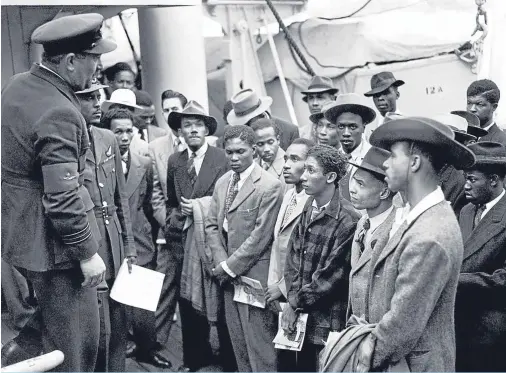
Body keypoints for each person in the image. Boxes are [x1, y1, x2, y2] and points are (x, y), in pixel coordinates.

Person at [1, 13, 115, 371]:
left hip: (23, 239)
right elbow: (63, 197)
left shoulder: (20, 85)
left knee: (42, 337)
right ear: (69, 62)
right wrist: (86, 253)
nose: (97, 68)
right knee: (76, 348)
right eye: (93, 59)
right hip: (57, 252)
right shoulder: (60, 112)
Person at [368, 116, 476, 371]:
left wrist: (366, 351)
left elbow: (402, 325)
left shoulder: (430, 233)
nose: (384, 164)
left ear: (414, 163)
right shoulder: (416, 215)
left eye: (393, 156)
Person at [206, 125, 283, 372]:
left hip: (254, 279)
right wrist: (221, 264)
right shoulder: (223, 182)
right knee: (238, 345)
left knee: (261, 349)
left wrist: (229, 267)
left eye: (241, 151)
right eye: (229, 152)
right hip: (229, 280)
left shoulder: (269, 186)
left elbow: (260, 237)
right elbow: (211, 225)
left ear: (254, 149)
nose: (235, 158)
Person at [164, 100, 230, 371]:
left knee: (220, 297)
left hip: (213, 238)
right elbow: (170, 200)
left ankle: (228, 358)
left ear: (206, 130)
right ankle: (195, 358)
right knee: (187, 298)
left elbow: (228, 200)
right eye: (187, 125)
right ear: (180, 131)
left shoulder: (222, 158)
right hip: (182, 239)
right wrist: (174, 218)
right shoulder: (175, 160)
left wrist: (201, 206)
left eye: (198, 125)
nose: (192, 130)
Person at [282, 144, 360, 372]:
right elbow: (293, 257)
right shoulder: (309, 204)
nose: (303, 176)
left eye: (311, 171)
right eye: (304, 169)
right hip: (301, 314)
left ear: (331, 177)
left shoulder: (348, 220)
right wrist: (293, 298)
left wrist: (294, 303)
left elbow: (330, 277)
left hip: (326, 320)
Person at [81, 92, 137, 370]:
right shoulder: (67, 140)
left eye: (96, 98)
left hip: (114, 237)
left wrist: (129, 246)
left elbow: (120, 198)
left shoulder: (108, 138)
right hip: (89, 241)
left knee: (119, 317)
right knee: (95, 323)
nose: (95, 105)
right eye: (87, 98)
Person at [264, 138, 314, 371]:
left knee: (302, 361)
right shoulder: (289, 195)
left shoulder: (313, 204)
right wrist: (274, 286)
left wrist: (284, 288)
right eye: (286, 158)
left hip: (299, 292)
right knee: (284, 357)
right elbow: (278, 245)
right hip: (280, 290)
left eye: (295, 159)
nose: (286, 164)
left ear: (310, 165)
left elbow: (307, 257)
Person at [456, 141, 506, 372]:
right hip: (458, 326)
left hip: (492, 332)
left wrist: (458, 280)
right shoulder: (466, 211)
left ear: (494, 180)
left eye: (472, 179)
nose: (465, 185)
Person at [148, 89, 188, 353]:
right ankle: (156, 343)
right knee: (164, 288)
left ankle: (204, 348)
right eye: (166, 109)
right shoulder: (156, 148)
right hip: (170, 232)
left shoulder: (208, 143)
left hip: (199, 231)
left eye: (175, 108)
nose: (171, 113)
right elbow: (155, 195)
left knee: (198, 292)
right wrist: (170, 224)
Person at [347, 146, 395, 319]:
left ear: (383, 192)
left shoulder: (394, 230)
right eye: (354, 181)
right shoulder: (363, 222)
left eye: (360, 184)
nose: (352, 189)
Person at [323, 93, 375, 201]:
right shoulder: (331, 159)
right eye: (341, 126)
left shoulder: (373, 159)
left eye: (352, 127)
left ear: (363, 128)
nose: (346, 133)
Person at [227, 88, 300, 151]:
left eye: (248, 121)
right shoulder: (235, 135)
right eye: (243, 123)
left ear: (260, 114)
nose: (246, 126)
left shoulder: (289, 130)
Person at [466, 79, 506, 145]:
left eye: (479, 104)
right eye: (469, 103)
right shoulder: (458, 136)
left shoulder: (503, 142)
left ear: (494, 107)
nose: (472, 109)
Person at [251, 118, 287, 187]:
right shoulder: (251, 167)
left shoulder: (289, 167)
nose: (266, 149)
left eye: (270, 142)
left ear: (278, 140)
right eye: (260, 144)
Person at [301, 76, 338, 140]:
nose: (314, 103)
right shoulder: (301, 133)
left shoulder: (342, 131)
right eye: (311, 98)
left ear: (332, 99)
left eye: (320, 97)